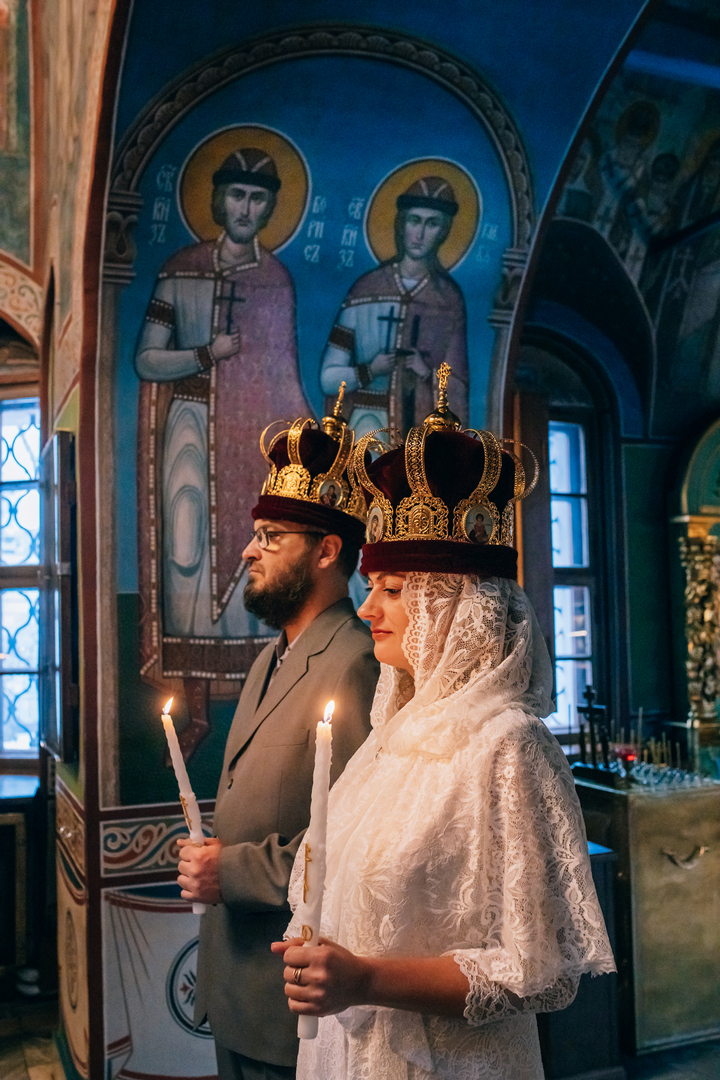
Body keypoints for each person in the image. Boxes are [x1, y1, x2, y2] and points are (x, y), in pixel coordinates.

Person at [275, 374, 615, 1080]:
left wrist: (365, 978)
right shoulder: (388, 740)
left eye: (393, 590)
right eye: (372, 586)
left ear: (456, 606)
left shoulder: (509, 745)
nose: (368, 608)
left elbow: (540, 974)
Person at [177, 399, 380, 1080]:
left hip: (288, 1002)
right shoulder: (271, 657)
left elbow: (355, 841)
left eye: (269, 536)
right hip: (235, 984)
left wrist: (229, 870)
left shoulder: (355, 663)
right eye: (254, 534)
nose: (248, 550)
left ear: (326, 550)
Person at [134, 146, 310, 754]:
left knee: (255, 571)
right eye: (237, 194)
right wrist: (207, 353)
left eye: (258, 198)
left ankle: (265, 711)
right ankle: (199, 713)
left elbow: (284, 373)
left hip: (253, 442)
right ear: (218, 200)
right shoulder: (179, 268)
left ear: (270, 208)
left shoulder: (276, 280)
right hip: (189, 435)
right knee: (189, 563)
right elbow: (146, 359)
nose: (246, 207)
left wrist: (309, 442)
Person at [319, 176, 468, 438]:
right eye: (414, 221)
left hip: (420, 430)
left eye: (432, 224)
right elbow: (328, 378)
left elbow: (459, 386)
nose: (420, 234)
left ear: (444, 232)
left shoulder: (448, 299)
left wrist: (427, 373)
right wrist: (370, 371)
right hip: (365, 424)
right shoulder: (366, 289)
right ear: (401, 224)